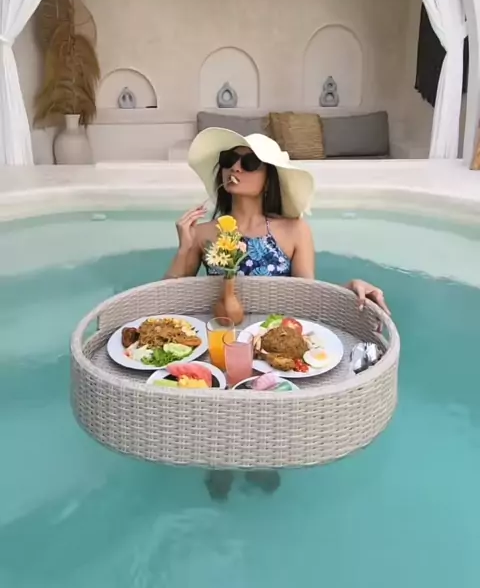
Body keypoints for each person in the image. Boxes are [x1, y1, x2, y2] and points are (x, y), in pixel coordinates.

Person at [165, 128, 390, 498]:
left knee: (264, 417)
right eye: (228, 161)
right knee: (222, 414)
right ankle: (219, 462)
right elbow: (168, 303)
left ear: (268, 176)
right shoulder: (203, 234)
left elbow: (309, 300)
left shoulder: (294, 229)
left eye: (249, 163)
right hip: (221, 344)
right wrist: (183, 249)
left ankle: (262, 459)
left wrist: (350, 287)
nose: (235, 168)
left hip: (273, 348)